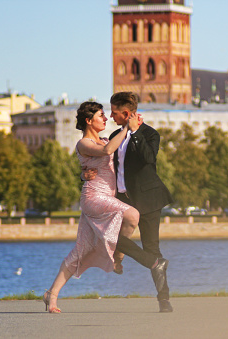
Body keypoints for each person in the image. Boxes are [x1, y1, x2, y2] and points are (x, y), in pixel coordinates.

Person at [43, 101, 141, 313]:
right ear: (89, 121)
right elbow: (107, 151)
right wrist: (126, 127)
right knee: (132, 215)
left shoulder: (107, 138)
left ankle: (51, 295)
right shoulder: (84, 143)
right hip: (94, 197)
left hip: (108, 196)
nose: (105, 119)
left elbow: (115, 152)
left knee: (81, 250)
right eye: (101, 116)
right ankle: (118, 257)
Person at [84, 92, 174, 313]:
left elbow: (148, 159)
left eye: (114, 113)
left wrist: (134, 132)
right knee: (107, 236)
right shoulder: (115, 136)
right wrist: (85, 174)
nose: (111, 117)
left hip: (149, 200)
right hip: (122, 201)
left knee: (152, 247)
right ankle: (152, 262)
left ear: (126, 113)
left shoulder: (150, 134)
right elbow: (103, 166)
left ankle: (164, 299)